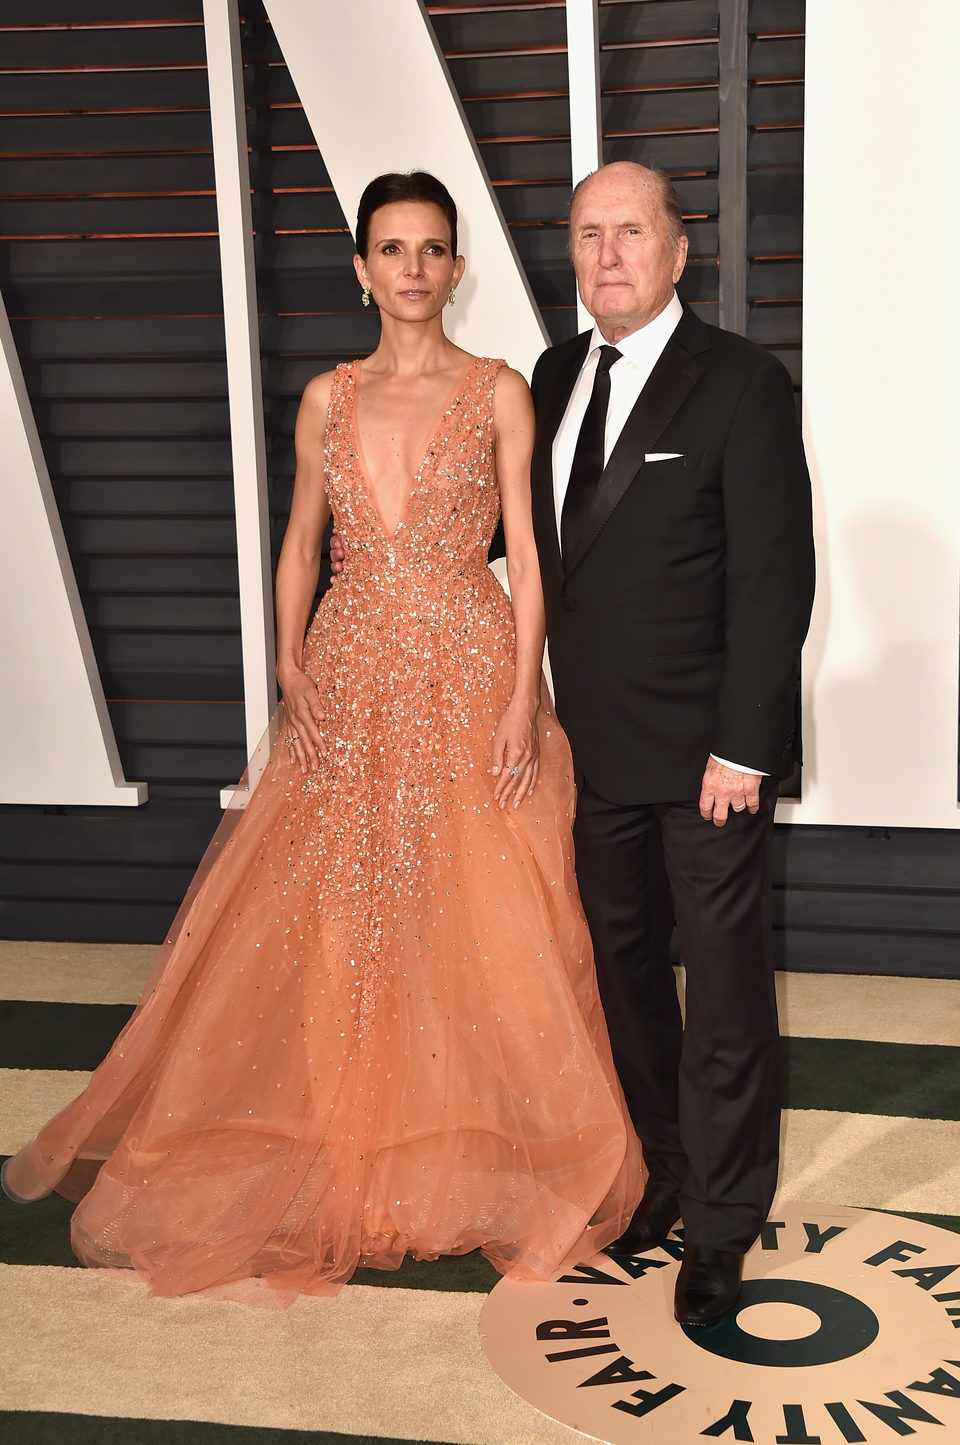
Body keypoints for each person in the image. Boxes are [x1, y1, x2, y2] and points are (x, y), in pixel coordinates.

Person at [1, 171, 642, 1302]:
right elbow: (301, 539)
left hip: (466, 666)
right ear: (361, 268)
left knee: (479, 909)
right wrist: (292, 661)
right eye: (390, 248)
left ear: (456, 267)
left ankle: (462, 1142)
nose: (410, 268)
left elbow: (531, 560)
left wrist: (518, 697)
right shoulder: (326, 398)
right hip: (349, 675)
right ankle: (347, 1135)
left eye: (430, 248)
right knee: (348, 906)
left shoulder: (499, 393)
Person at [530, 161, 815, 1325]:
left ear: (678, 249)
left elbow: (772, 576)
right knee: (626, 978)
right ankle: (663, 1172)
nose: (608, 255)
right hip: (587, 754)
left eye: (631, 231)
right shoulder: (551, 376)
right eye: (590, 234)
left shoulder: (742, 381)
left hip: (708, 765)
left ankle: (727, 1219)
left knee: (729, 993)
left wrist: (744, 747)